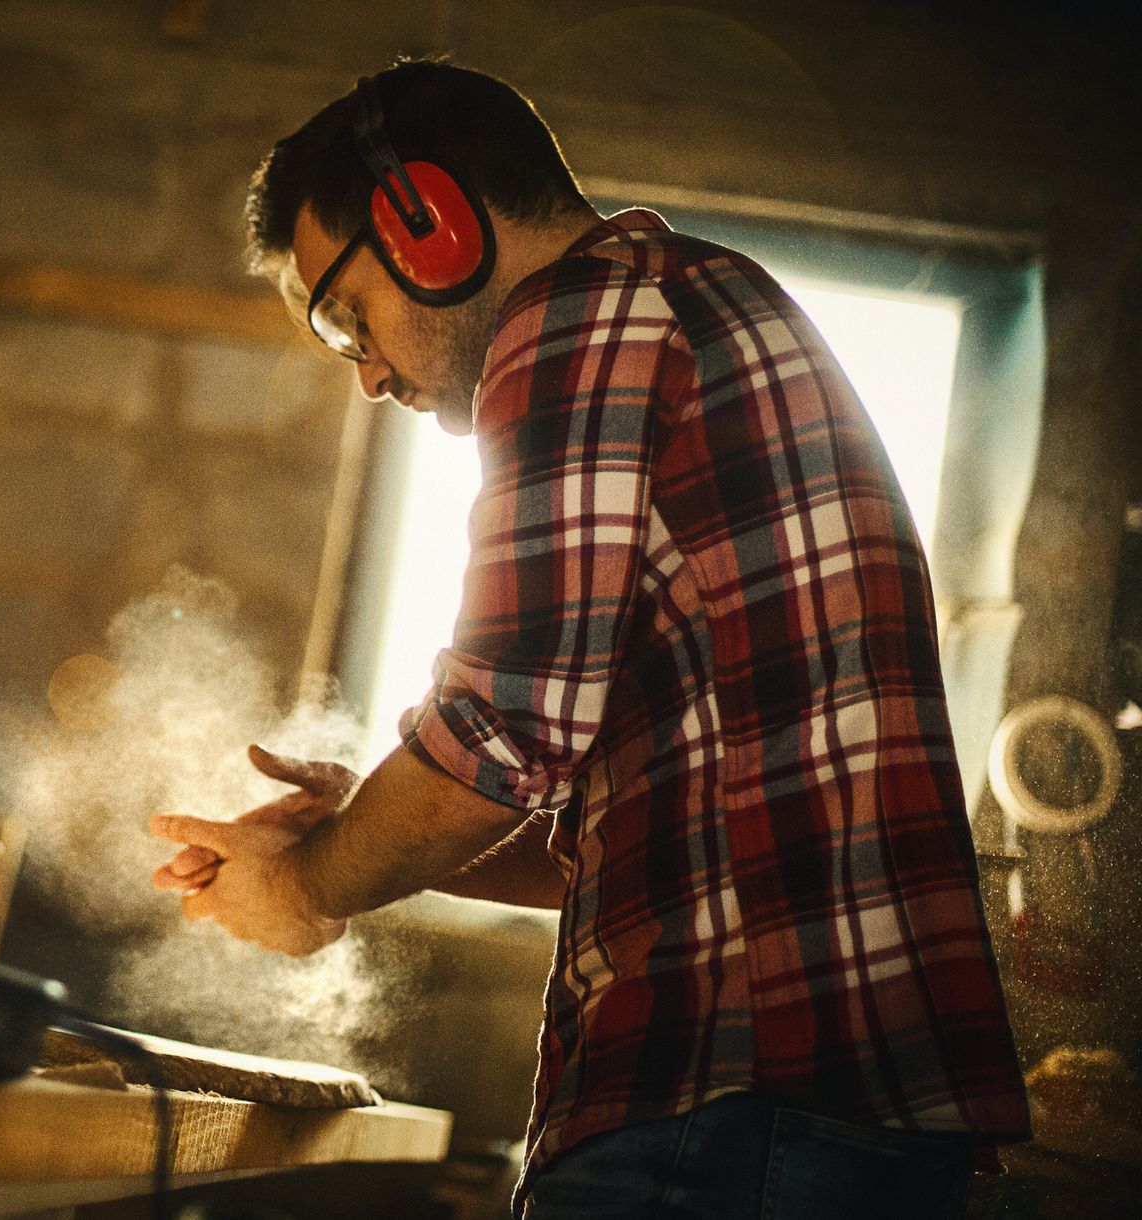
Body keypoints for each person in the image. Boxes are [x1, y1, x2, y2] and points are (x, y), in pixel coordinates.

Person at [147, 59, 1030, 1219]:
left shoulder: (585, 316)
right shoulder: (676, 307)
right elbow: (612, 830)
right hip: (807, 1104)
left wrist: (309, 885)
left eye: (349, 314)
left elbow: (503, 731)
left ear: (429, 220)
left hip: (731, 1101)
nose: (365, 373)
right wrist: (358, 829)